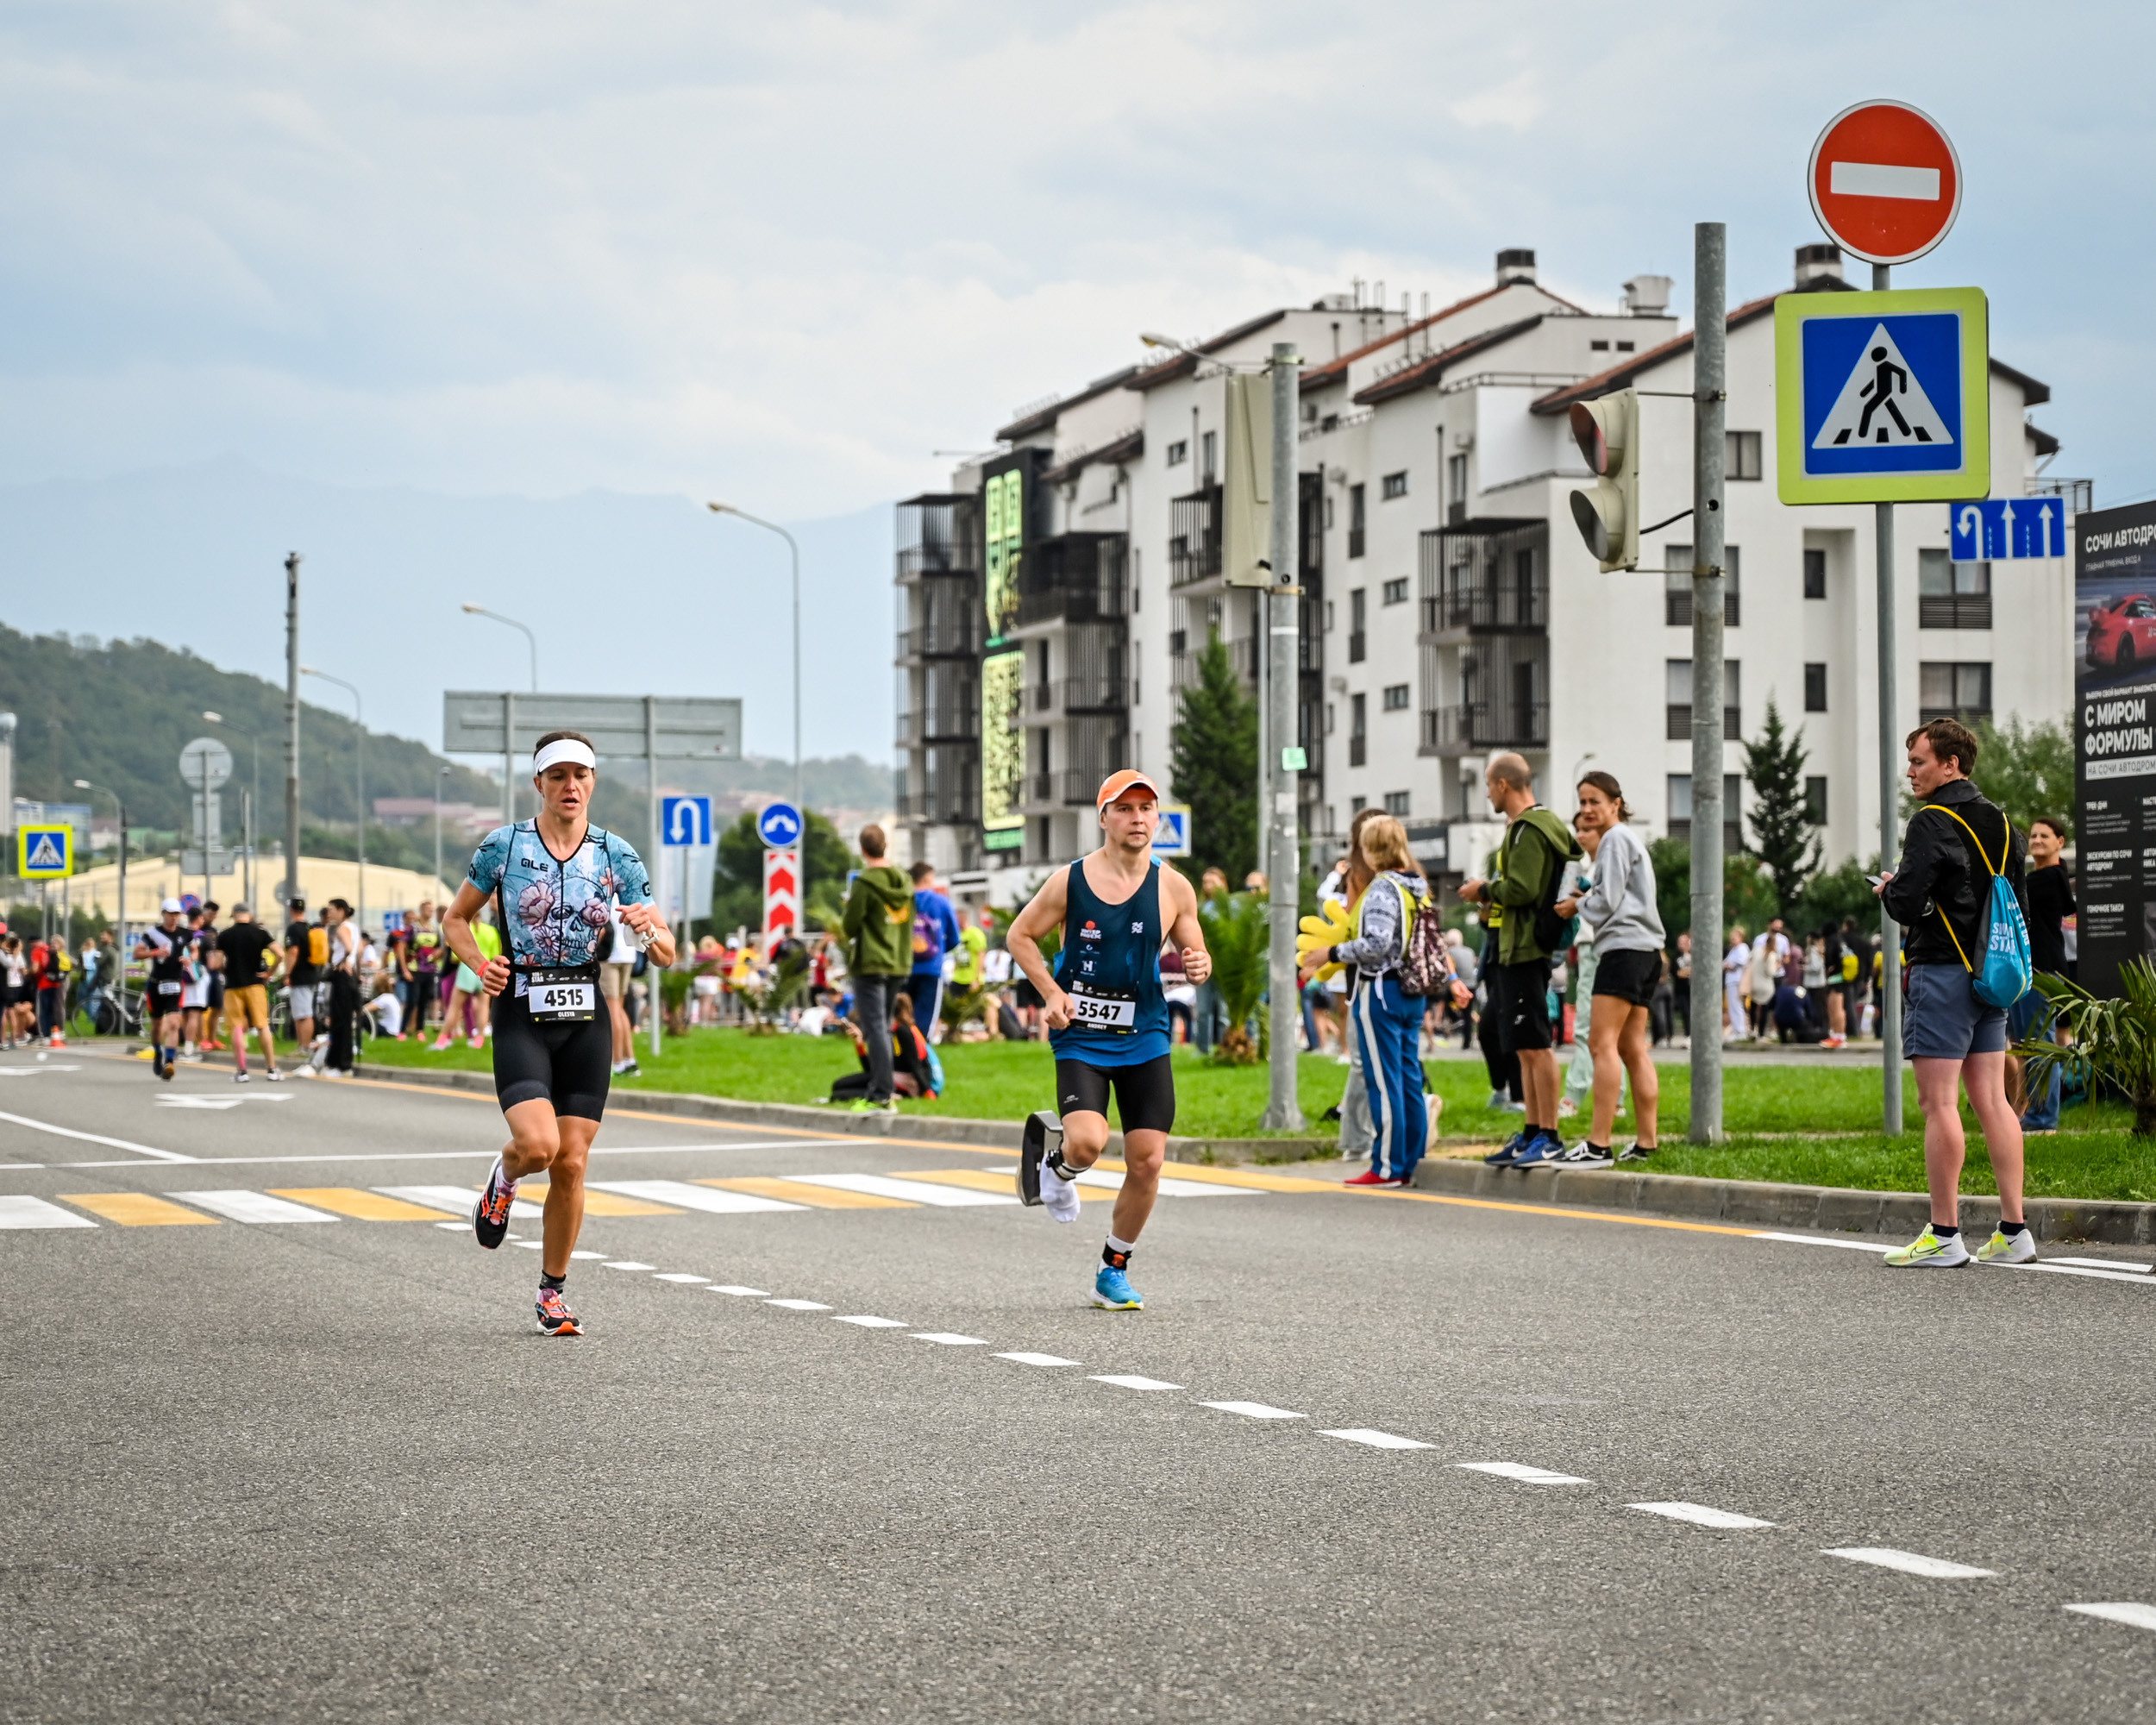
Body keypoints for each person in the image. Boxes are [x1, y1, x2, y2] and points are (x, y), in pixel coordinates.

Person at [448, 730, 674, 1337]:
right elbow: (456, 919)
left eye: (581, 775)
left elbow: (670, 952)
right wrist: (480, 964)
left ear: (593, 782)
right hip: (522, 1006)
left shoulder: (616, 855)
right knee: (539, 1148)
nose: (570, 786)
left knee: (571, 1164)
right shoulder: (505, 845)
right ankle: (503, 1178)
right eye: (558, 776)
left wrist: (644, 928)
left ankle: (552, 1293)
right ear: (539, 784)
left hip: (585, 1012)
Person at [1009, 768, 1212, 1311]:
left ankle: (1112, 1269)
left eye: (1146, 808)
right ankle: (1057, 1168)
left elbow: (1196, 953)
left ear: (1157, 818)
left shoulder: (1173, 886)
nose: (1137, 818)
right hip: (1081, 1035)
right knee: (1088, 1142)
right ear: (1104, 818)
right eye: (1124, 809)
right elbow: (1019, 935)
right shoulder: (1070, 881)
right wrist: (1051, 993)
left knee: (1147, 1161)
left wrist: (1199, 963)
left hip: (1144, 1034)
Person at [1877, 716, 2034, 1268]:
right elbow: (2016, 903)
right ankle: (2015, 1232)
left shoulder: (1930, 822)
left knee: (1938, 1102)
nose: (1911, 771)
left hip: (1941, 971)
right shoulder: (2005, 822)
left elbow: (1907, 903)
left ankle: (1944, 1235)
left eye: (1919, 761)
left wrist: (1892, 889)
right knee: (1993, 1101)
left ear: (1951, 763)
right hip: (1992, 975)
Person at [1457, 752, 1583, 1169]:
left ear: (1503, 785)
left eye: (1489, 787)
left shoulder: (1529, 829)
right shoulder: (1532, 826)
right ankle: (1532, 1130)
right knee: (1524, 1046)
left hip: (1526, 948)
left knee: (1536, 1045)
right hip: (1517, 947)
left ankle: (1548, 1135)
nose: (1488, 795)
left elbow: (1524, 889)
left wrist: (1484, 890)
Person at [1307, 814, 1432, 1189]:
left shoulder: (1382, 889)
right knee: (1410, 1078)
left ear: (1370, 848)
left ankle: (1387, 1166)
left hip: (1381, 989)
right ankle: (1412, 1160)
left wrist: (1332, 953)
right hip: (1413, 991)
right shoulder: (1417, 887)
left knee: (1384, 1081)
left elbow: (1375, 943)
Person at [1553, 772, 1662, 1165]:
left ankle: (1598, 1144)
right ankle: (1647, 1142)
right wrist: (1591, 897)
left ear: (1616, 803)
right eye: (1582, 802)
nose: (1587, 809)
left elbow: (1609, 901)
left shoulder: (1616, 839)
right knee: (1633, 1048)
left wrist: (1575, 905)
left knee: (1601, 1044)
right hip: (1648, 951)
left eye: (1594, 801)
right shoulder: (1629, 841)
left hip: (1623, 949)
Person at [839, 825, 914, 1112]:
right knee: (883, 1026)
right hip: (898, 961)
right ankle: (881, 1086)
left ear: (862, 850)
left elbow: (850, 925)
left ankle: (882, 1092)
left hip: (871, 962)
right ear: (886, 846)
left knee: (875, 1028)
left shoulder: (864, 883)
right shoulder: (904, 882)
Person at [2009, 814, 2076, 1134]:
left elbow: (2007, 889)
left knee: (2038, 1045)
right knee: (2026, 1046)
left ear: (2059, 843)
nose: (2036, 841)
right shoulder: (2046, 878)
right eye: (2033, 836)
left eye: (2044, 836)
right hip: (2035, 969)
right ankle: (2028, 1112)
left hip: (2042, 970)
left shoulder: (2048, 878)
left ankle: (2042, 1118)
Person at [213, 903, 284, 1082]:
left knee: (237, 1027)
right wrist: (269, 973)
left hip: (233, 987)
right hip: (255, 985)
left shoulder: (225, 935)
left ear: (234, 915)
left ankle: (242, 1071)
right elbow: (280, 954)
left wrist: (225, 971)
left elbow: (217, 963)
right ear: (249, 915)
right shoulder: (260, 933)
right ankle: (272, 1069)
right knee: (262, 1025)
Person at [906, 862, 962, 1042]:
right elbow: (954, 938)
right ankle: (921, 1056)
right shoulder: (941, 903)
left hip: (904, 967)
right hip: (931, 968)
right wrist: (938, 952)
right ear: (928, 878)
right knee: (926, 1017)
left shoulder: (901, 901)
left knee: (902, 1013)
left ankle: (901, 1054)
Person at [136, 899, 191, 1081]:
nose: (174, 918)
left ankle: (169, 1062)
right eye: (170, 914)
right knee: (157, 1026)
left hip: (175, 983)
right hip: (156, 984)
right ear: (163, 914)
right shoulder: (152, 933)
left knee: (174, 1023)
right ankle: (158, 1051)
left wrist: (189, 959)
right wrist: (154, 953)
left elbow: (195, 950)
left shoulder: (185, 933)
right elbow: (137, 953)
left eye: (177, 914)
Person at [316, 899, 361, 1076]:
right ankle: (338, 1062)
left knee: (340, 1021)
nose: (329, 913)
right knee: (343, 1020)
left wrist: (342, 962)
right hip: (348, 977)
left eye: (332, 909)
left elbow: (350, 949)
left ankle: (341, 1065)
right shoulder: (354, 928)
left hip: (341, 976)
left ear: (342, 911)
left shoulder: (342, 928)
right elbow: (358, 951)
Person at [283, 897, 322, 1057]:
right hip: (312, 973)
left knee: (303, 1014)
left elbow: (293, 951)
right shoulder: (310, 927)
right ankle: (302, 1046)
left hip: (300, 975)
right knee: (302, 1012)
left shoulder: (293, 929)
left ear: (291, 910)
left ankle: (304, 1047)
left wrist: (287, 973)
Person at [1722, 925, 1750, 1040]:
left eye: (1735, 936)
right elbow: (1724, 963)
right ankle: (1737, 1029)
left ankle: (1741, 1031)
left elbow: (1741, 962)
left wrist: (1730, 966)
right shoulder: (1733, 949)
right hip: (1731, 980)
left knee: (1736, 1005)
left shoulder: (1742, 948)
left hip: (1737, 980)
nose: (1732, 939)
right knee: (1733, 1006)